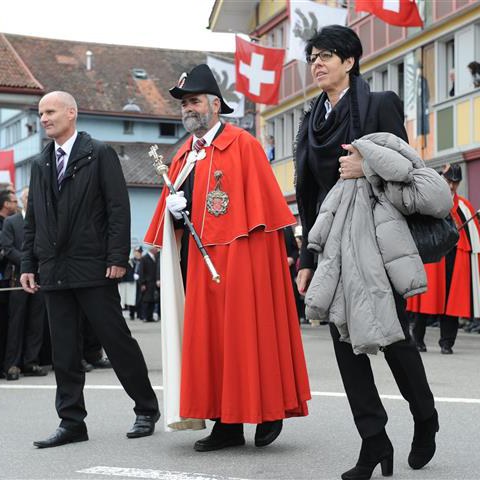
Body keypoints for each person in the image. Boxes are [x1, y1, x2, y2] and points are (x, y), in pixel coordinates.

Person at [295, 26, 439, 479]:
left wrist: (365, 165)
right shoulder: (310, 119)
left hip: (376, 241)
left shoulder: (380, 104)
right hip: (332, 243)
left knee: (392, 336)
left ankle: (425, 415)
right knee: (344, 343)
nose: (317, 64)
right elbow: (308, 193)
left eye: (326, 56)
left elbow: (407, 170)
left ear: (349, 61)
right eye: (312, 58)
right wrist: (306, 258)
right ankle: (374, 442)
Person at [145, 64, 310, 452]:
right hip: (200, 265)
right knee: (212, 343)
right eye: (185, 103)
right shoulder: (184, 154)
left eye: (195, 100)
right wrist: (172, 209)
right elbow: (178, 220)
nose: (189, 108)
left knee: (248, 335)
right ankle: (226, 422)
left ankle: (268, 411)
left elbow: (263, 217)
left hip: (242, 259)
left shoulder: (243, 144)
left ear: (216, 104)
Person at [20, 91, 159, 448]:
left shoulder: (99, 154)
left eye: (50, 111)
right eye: (40, 113)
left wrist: (116, 257)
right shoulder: (40, 163)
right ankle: (71, 422)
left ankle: (146, 407)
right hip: (53, 269)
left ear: (71, 113)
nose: (44, 118)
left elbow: (117, 208)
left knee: (116, 340)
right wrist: (28, 264)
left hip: (93, 266)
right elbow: (33, 219)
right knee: (64, 351)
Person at [407, 163, 480, 353]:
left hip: (455, 258)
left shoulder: (465, 206)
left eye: (455, 182)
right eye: (448, 181)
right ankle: (418, 340)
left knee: (452, 301)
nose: (451, 186)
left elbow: (473, 239)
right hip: (433, 256)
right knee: (426, 297)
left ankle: (447, 342)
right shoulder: (430, 201)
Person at [1, 187, 47, 381]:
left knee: (36, 323)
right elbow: (8, 249)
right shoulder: (12, 222)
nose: (32, 199)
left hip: (40, 279)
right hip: (17, 279)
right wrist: (29, 264)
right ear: (22, 199)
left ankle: (31, 362)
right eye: (28, 196)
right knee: (16, 323)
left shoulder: (44, 222)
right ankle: (11, 364)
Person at [0, 189, 18, 376]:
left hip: (7, 281)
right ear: (6, 203)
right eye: (13, 200)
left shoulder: (10, 222)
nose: (16, 204)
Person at [138, 247, 160, 322]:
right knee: (146, 301)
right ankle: (144, 316)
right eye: (155, 248)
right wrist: (142, 283)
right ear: (151, 249)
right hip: (146, 283)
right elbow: (141, 272)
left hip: (153, 283)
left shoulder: (156, 258)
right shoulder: (144, 258)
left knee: (153, 300)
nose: (157, 250)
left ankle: (150, 317)